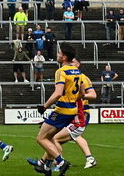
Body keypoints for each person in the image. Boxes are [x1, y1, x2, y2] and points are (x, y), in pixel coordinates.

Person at [28, 57, 98, 171]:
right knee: (53, 137)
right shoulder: (69, 75)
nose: (71, 63)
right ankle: (45, 163)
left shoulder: (81, 77)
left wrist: (78, 97)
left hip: (79, 112)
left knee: (54, 138)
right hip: (70, 111)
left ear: (78, 64)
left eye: (73, 62)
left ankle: (57, 163)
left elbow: (93, 95)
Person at [29, 43, 82, 175]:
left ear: (64, 57)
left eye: (59, 53)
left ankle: (61, 162)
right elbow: (81, 93)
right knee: (50, 137)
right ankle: (46, 167)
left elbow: (58, 93)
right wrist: (71, 99)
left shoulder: (61, 71)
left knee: (41, 138)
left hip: (62, 110)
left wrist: (44, 106)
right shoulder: (78, 72)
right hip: (72, 110)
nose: (57, 55)